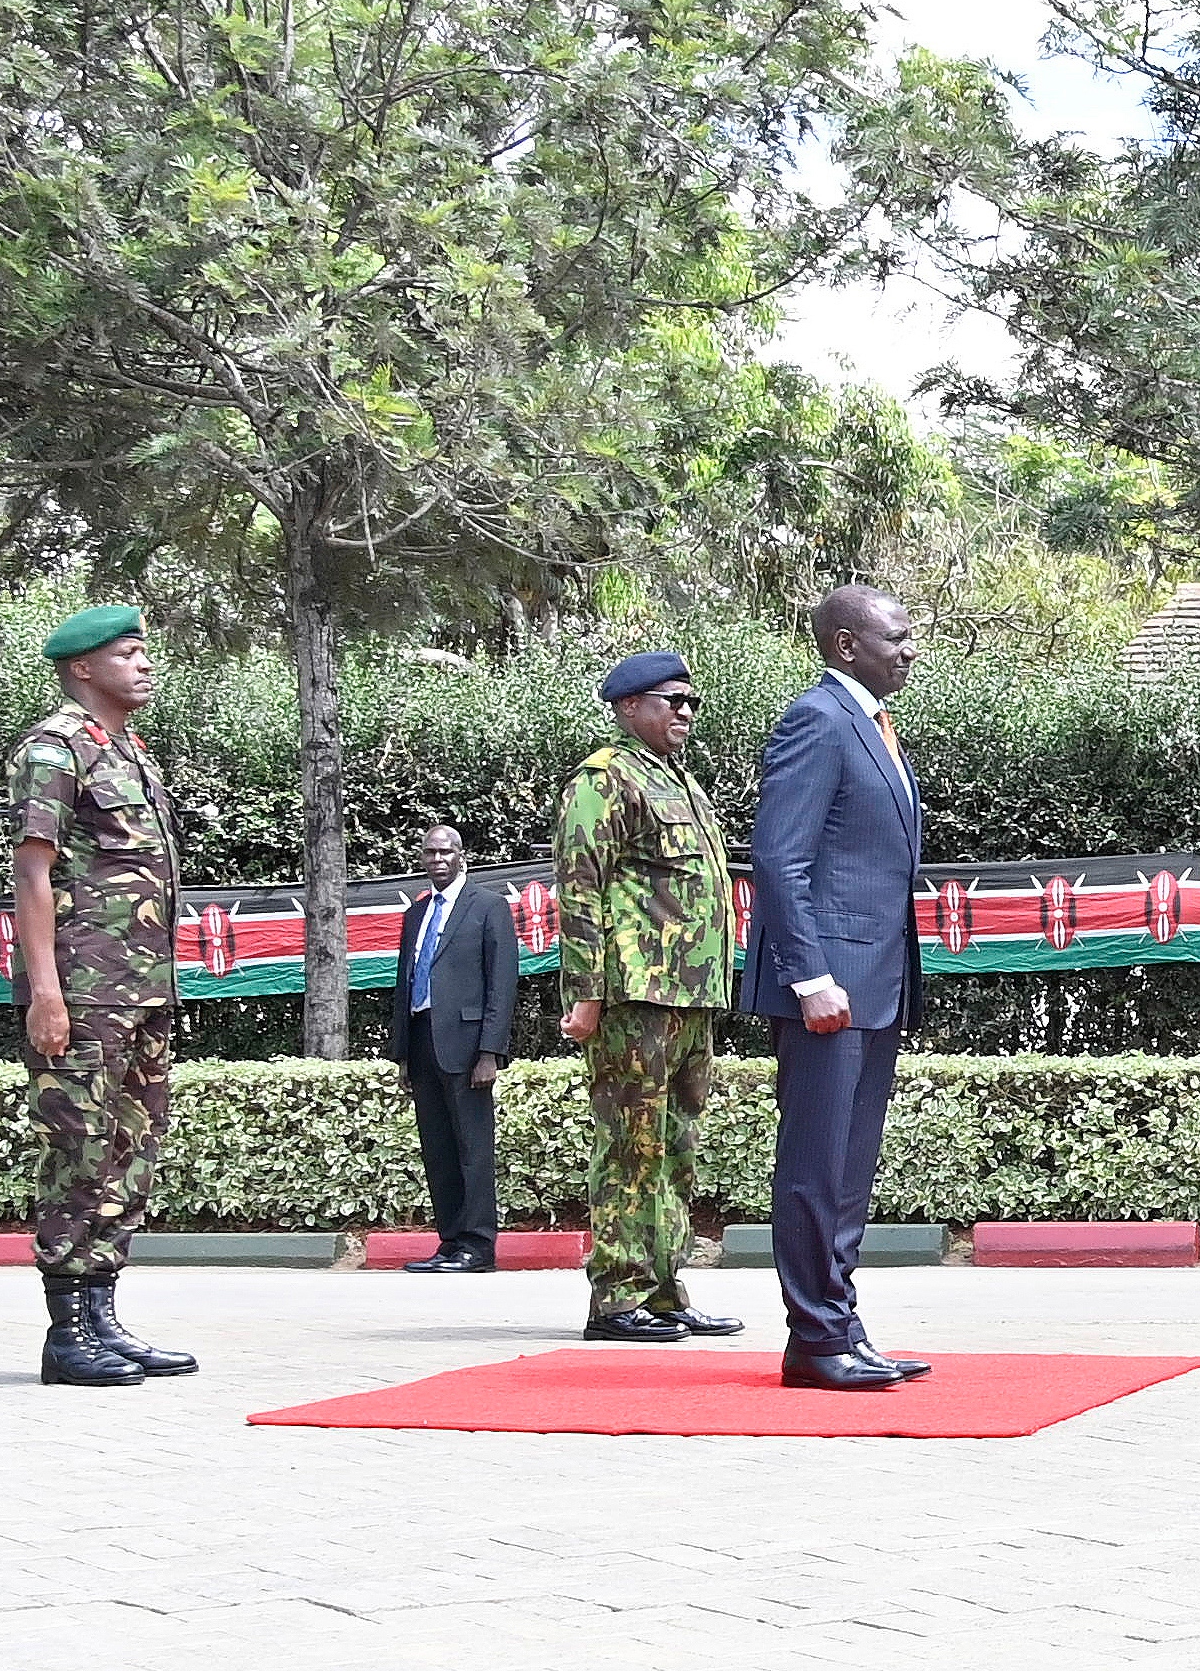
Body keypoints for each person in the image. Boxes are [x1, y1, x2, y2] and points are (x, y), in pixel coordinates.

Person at [741, 586, 937, 1390]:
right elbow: (778, 859)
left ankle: (839, 1323)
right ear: (848, 644)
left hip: (875, 979)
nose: (911, 648)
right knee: (815, 1164)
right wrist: (810, 975)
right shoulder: (817, 720)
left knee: (850, 1166)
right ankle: (815, 1337)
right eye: (897, 636)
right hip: (830, 985)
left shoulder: (872, 724)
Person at [7, 606, 191, 1387]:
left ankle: (101, 1315)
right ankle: (65, 1334)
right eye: (128, 653)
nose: (144, 664)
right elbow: (32, 873)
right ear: (83, 667)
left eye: (145, 651)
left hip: (142, 989)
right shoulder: (53, 749)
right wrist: (46, 992)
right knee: (77, 1150)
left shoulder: (129, 751)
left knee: (129, 1152)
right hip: (83, 992)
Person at [555, 651, 744, 1345]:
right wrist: (585, 993)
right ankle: (615, 1298)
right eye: (671, 699)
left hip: (689, 994)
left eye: (692, 700)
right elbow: (579, 888)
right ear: (629, 705)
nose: (685, 712)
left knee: (676, 1146)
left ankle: (664, 1289)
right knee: (631, 1147)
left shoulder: (681, 783)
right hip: (634, 993)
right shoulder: (603, 780)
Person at [391, 824, 519, 1273]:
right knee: (439, 1147)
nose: (437, 859)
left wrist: (490, 1051)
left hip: (467, 1047)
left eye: (446, 852)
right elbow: (404, 983)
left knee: (472, 1147)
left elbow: (501, 983)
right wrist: (403, 1054)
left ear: (462, 855)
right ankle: (449, 1240)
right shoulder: (417, 912)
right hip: (423, 1038)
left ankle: (478, 1245)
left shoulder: (488, 907)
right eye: (429, 852)